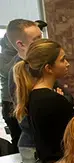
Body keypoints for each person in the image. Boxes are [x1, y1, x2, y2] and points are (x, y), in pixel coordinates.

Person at [13, 39, 74, 163]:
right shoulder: (52, 100)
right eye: (62, 60)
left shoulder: (34, 96)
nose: (67, 64)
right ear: (48, 68)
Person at [4, 19, 41, 153]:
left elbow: (65, 97)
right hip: (36, 145)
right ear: (21, 44)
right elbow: (25, 117)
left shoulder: (40, 65)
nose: (42, 43)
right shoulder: (18, 72)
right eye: (37, 39)